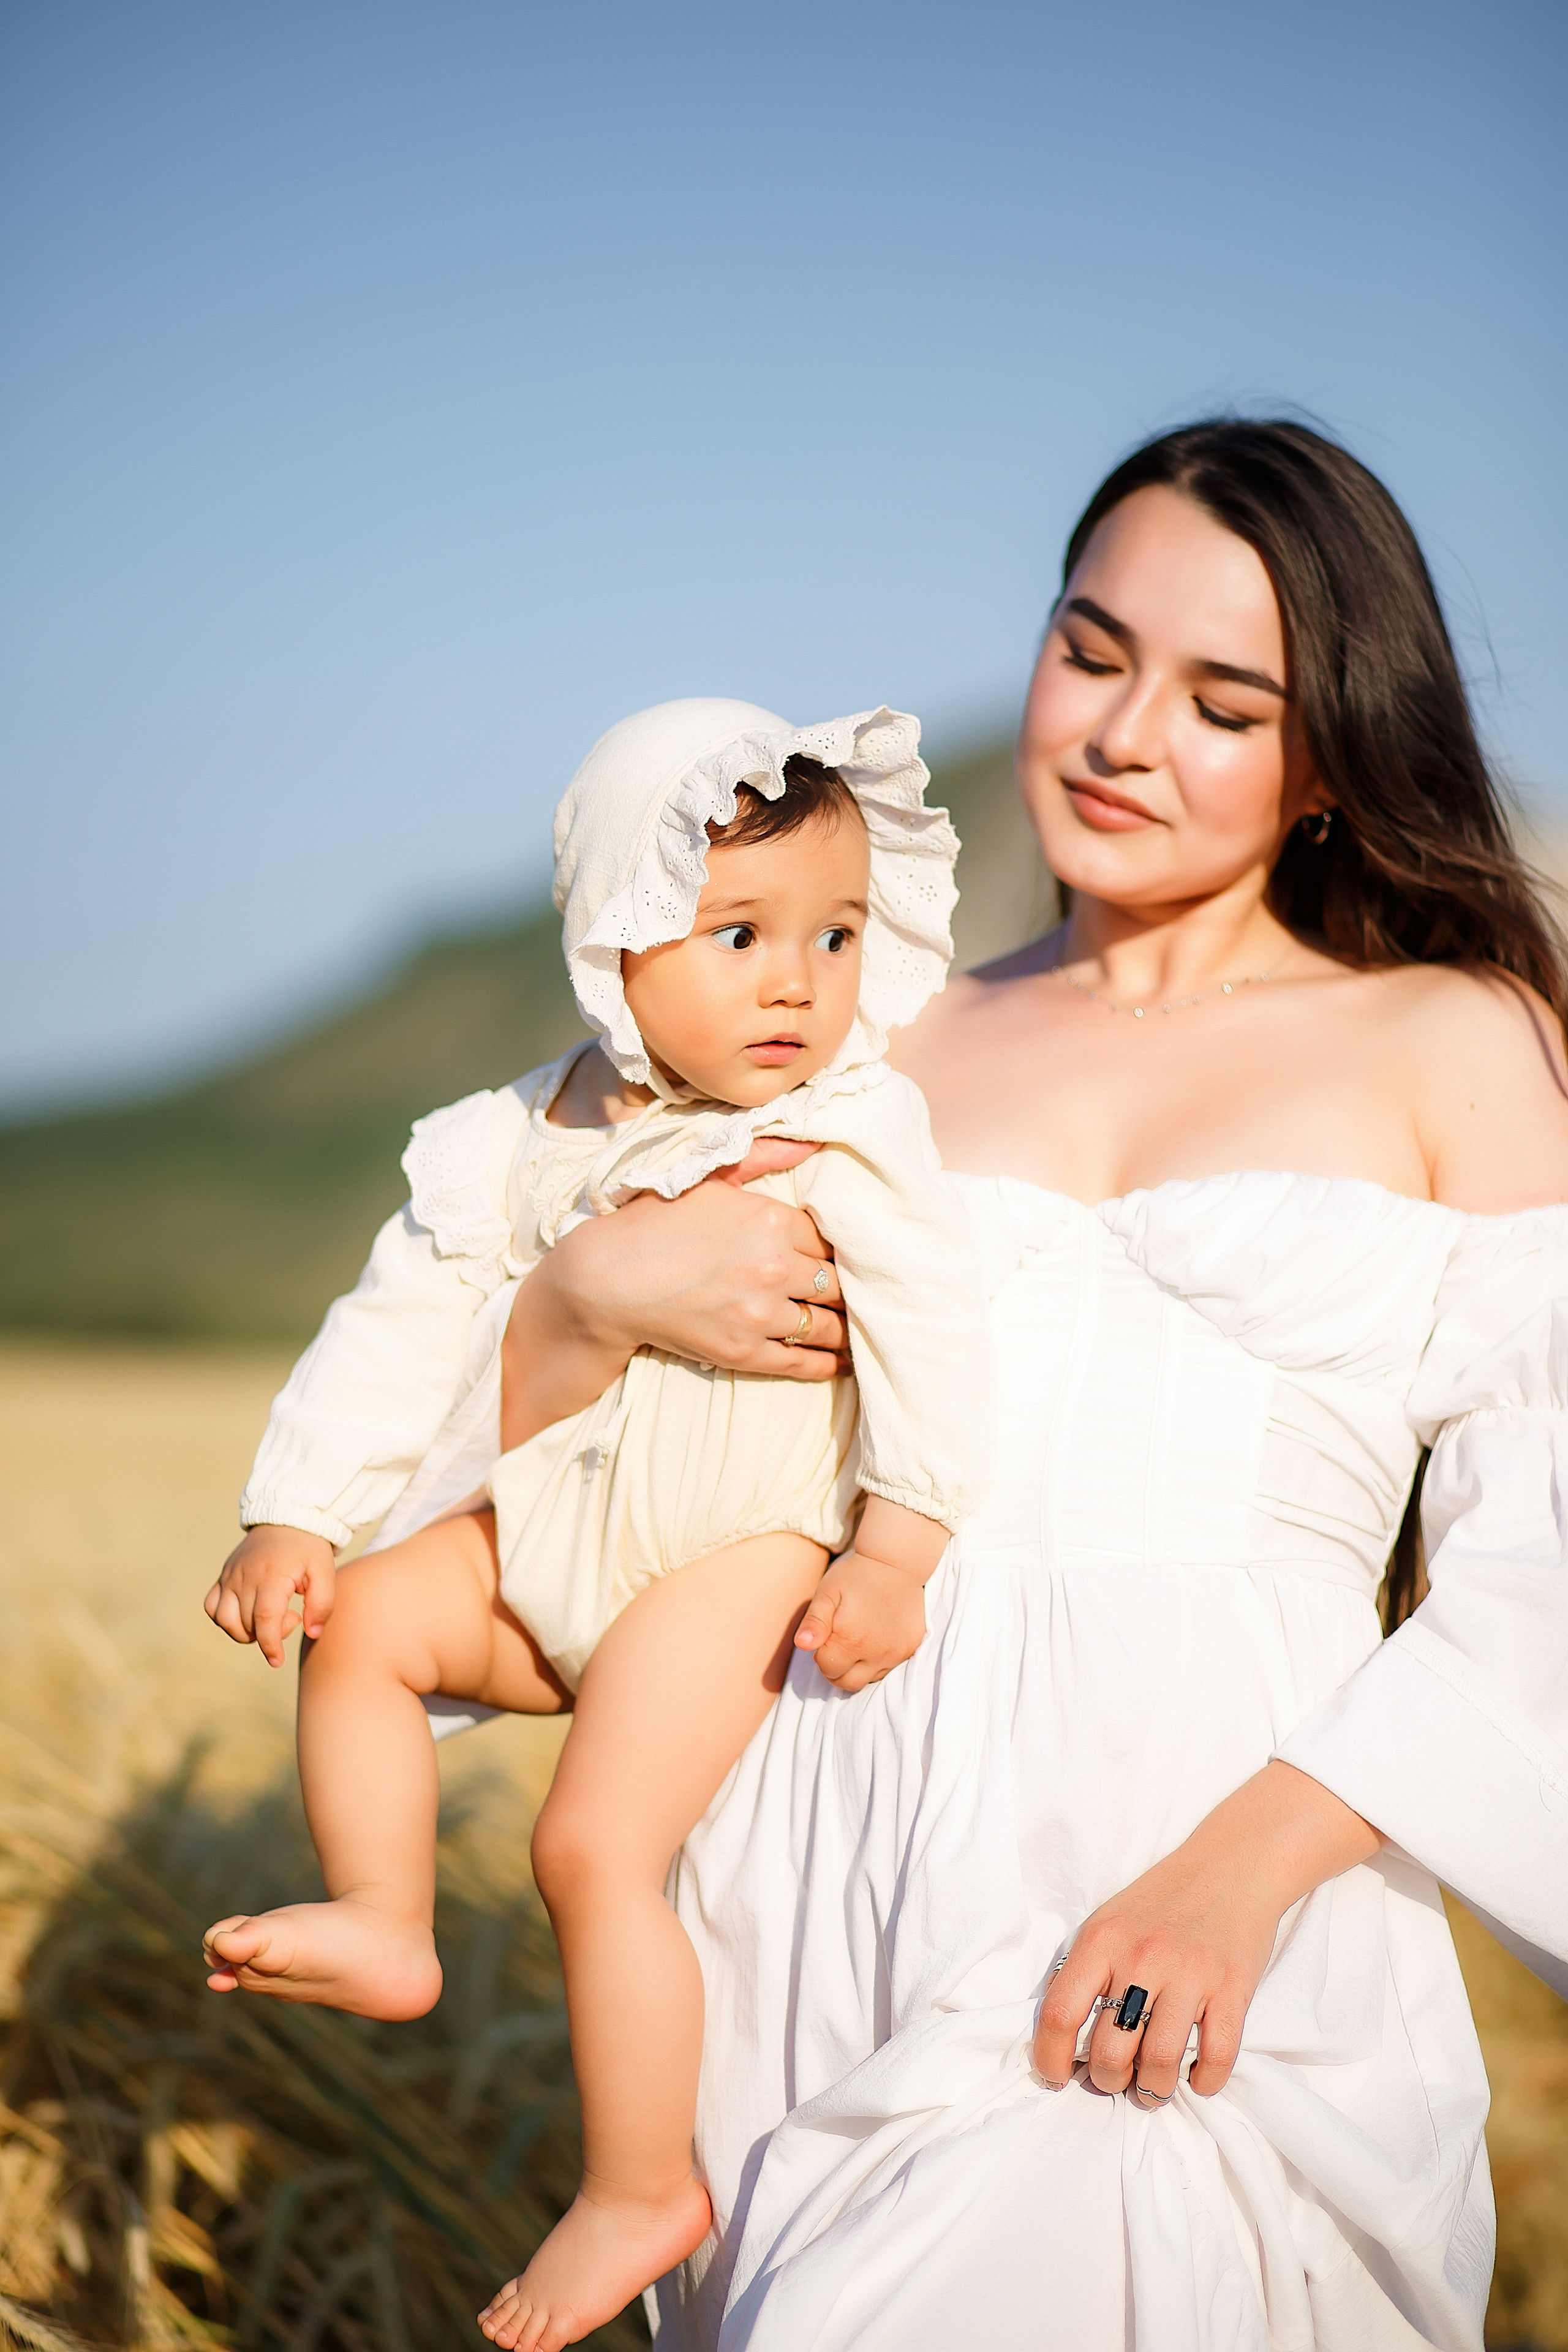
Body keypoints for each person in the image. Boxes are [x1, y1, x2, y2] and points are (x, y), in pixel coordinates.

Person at [485, 420, 1568, 2350]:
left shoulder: (1462, 1038)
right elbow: (616, 1493)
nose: (1124, 734)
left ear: (1334, 758)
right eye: (1094, 651)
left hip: (1211, 1878)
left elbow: (1541, 1565)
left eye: (1228, 701)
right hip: (819, 1853)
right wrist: (586, 1295)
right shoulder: (862, 1037)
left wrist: (1239, 1877)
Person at [200, 699, 993, 2352]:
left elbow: (935, 1330)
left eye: (836, 934)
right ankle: (383, 1913)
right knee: (358, 1630)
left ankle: (641, 2182)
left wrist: (896, 1546)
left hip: (734, 1550)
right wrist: (295, 1513)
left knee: (590, 1845)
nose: (798, 980)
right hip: (556, 1524)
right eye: (740, 935)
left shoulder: (845, 1125)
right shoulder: (520, 1138)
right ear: (613, 949)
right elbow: (398, 1320)